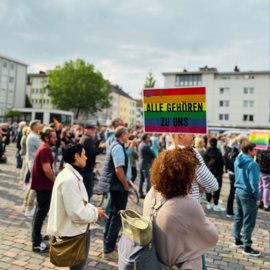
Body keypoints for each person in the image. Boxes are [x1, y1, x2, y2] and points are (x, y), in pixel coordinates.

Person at [143, 147, 218, 269]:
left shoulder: (152, 191)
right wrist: (189, 197)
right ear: (184, 176)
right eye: (192, 173)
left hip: (155, 260)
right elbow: (212, 236)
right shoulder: (188, 204)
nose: (194, 178)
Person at [47, 142, 108, 269]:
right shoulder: (69, 179)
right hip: (75, 234)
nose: (86, 157)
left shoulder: (68, 174)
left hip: (76, 231)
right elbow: (77, 213)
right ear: (77, 156)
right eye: (84, 155)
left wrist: (94, 210)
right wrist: (96, 213)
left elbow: (78, 203)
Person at [97, 127, 132, 261]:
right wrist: (125, 185)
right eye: (127, 134)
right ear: (123, 135)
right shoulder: (117, 147)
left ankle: (108, 245)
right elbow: (119, 170)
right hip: (118, 187)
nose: (128, 136)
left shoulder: (116, 144)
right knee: (116, 217)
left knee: (110, 215)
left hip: (114, 186)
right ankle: (109, 250)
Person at [31, 127, 57, 252]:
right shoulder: (45, 150)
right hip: (44, 187)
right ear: (47, 138)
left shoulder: (45, 149)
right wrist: (56, 181)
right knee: (40, 214)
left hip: (43, 186)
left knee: (39, 214)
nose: (56, 139)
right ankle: (36, 243)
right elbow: (47, 169)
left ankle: (36, 236)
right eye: (53, 137)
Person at [233, 141, 261, 256]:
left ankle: (237, 240)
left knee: (239, 217)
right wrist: (257, 197)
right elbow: (254, 184)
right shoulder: (252, 164)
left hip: (238, 191)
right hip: (248, 194)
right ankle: (247, 247)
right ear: (249, 151)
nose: (257, 151)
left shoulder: (238, 159)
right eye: (255, 149)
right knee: (249, 221)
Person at [79, 124, 106, 201]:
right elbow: (92, 153)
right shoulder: (87, 139)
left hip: (85, 168)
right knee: (88, 192)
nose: (94, 131)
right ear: (87, 130)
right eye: (92, 130)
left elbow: (91, 150)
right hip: (86, 169)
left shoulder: (86, 138)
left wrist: (98, 145)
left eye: (94, 130)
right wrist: (102, 148)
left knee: (84, 191)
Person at [225, 135, 249, 218]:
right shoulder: (242, 151)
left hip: (231, 173)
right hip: (239, 175)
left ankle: (229, 211)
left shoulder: (233, 148)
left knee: (232, 192)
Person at [23, 120, 43, 217]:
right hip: (35, 164)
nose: (41, 127)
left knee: (32, 186)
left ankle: (25, 205)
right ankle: (29, 208)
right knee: (35, 187)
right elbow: (44, 147)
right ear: (35, 127)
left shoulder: (32, 136)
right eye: (40, 126)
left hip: (32, 163)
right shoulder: (34, 137)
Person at [204, 138, 225, 211]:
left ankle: (209, 203)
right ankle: (216, 204)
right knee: (217, 189)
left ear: (209, 143)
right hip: (217, 173)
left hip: (208, 172)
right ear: (216, 143)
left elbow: (203, 163)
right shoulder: (218, 152)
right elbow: (221, 163)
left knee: (208, 187)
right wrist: (222, 173)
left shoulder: (206, 151)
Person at [138, 133, 156, 198]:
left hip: (141, 162)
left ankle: (140, 193)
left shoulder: (141, 144)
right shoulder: (145, 145)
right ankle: (148, 194)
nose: (149, 138)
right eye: (148, 137)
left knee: (141, 179)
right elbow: (152, 154)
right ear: (146, 138)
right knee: (147, 179)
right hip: (145, 163)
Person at [256, 139, 270, 212]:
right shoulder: (268, 151)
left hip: (259, 170)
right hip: (267, 171)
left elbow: (257, 160)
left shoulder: (260, 150)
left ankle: (259, 202)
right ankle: (266, 205)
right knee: (267, 188)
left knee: (260, 187)